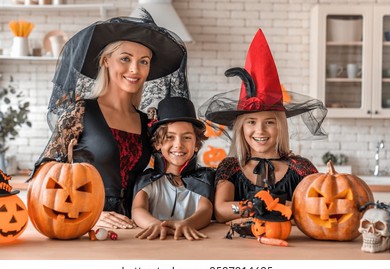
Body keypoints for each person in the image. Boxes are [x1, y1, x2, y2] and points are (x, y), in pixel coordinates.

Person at [28, 12, 187, 229]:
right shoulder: (81, 112)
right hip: (86, 225)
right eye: (125, 58)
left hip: (135, 225)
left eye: (144, 62)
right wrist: (90, 214)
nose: (135, 69)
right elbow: (44, 175)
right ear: (105, 61)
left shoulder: (146, 121)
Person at [198, 29, 328, 223]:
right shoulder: (232, 167)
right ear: (242, 127)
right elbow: (221, 209)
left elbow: (316, 206)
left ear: (280, 127)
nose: (260, 130)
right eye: (251, 122)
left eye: (269, 122)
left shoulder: (301, 168)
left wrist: (263, 207)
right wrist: (256, 206)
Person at [132, 96, 215, 241]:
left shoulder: (203, 179)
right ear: (158, 144)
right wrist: (154, 224)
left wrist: (187, 224)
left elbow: (205, 210)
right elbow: (138, 209)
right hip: (154, 246)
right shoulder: (148, 180)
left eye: (187, 138)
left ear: (196, 144)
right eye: (170, 137)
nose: (178, 145)